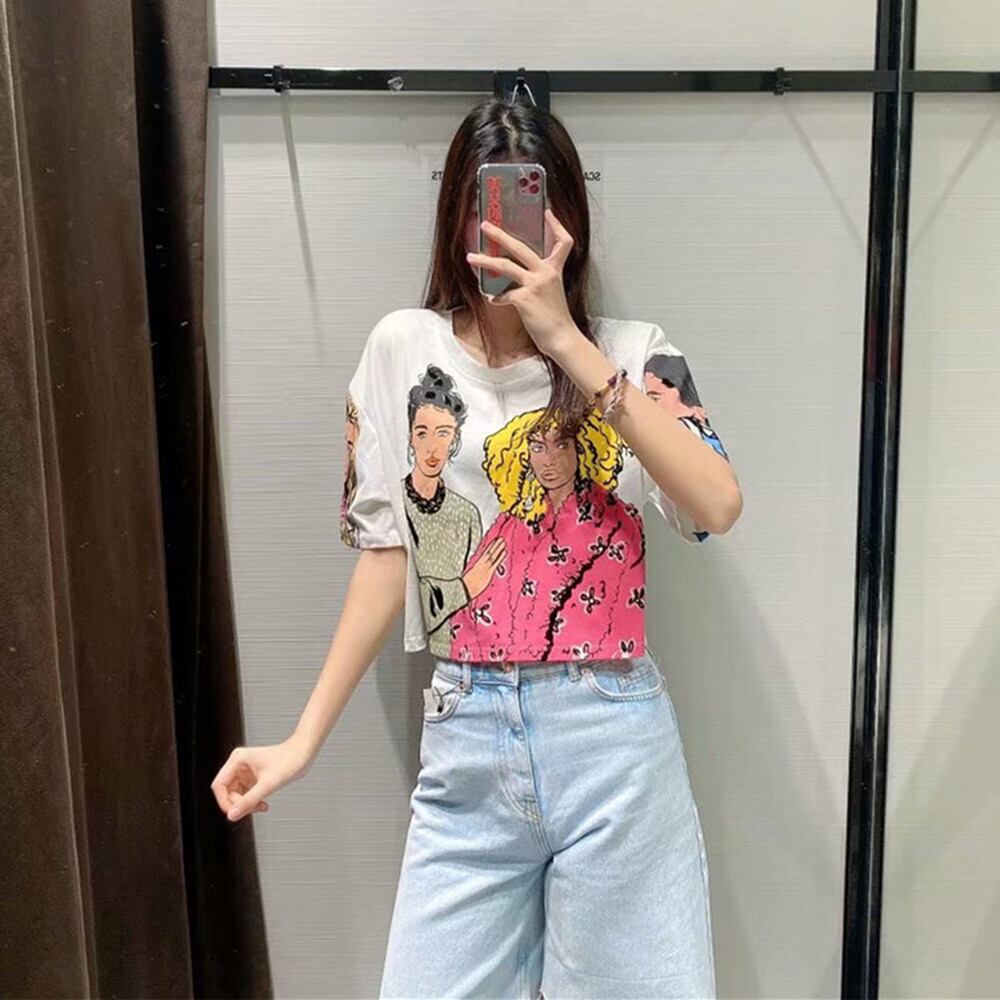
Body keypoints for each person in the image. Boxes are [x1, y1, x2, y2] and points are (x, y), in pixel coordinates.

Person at [211, 94, 743, 999]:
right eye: (483, 206)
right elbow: (388, 554)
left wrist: (567, 342)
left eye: (532, 206)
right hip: (467, 731)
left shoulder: (633, 351)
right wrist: (303, 740)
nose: (506, 234)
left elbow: (716, 505)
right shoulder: (401, 347)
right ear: (456, 214)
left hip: (612, 735)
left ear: (568, 219)